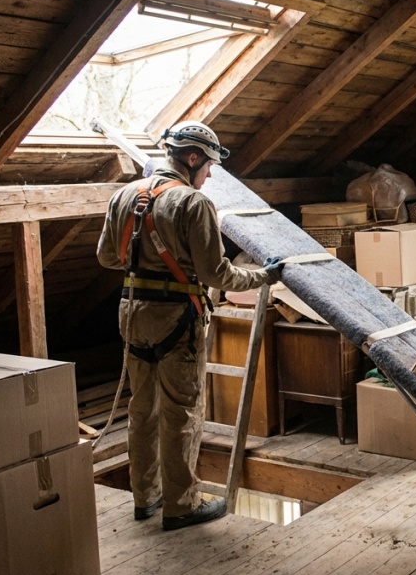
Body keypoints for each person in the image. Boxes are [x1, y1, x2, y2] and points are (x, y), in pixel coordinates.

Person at [96, 121, 283, 531]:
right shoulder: (192, 204)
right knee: (182, 412)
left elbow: (108, 258)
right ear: (193, 158)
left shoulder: (124, 196)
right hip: (176, 319)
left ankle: (145, 499)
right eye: (209, 165)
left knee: (142, 410)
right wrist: (264, 277)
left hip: (132, 314)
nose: (211, 174)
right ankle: (181, 506)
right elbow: (217, 274)